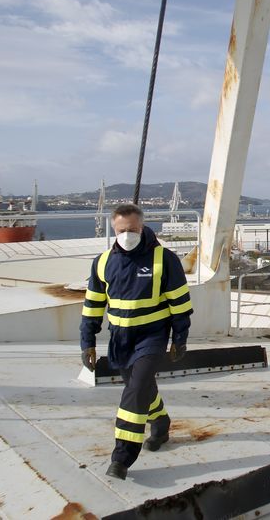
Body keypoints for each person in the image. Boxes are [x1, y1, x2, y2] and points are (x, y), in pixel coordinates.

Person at [80, 203, 193, 480]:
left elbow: (179, 304)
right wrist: (88, 343)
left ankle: (121, 458)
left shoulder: (163, 259)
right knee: (140, 387)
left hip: (152, 337)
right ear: (113, 230)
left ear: (141, 228)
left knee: (135, 389)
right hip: (120, 338)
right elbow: (92, 307)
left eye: (132, 230)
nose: (127, 235)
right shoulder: (103, 262)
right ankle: (161, 422)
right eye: (121, 230)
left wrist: (180, 338)